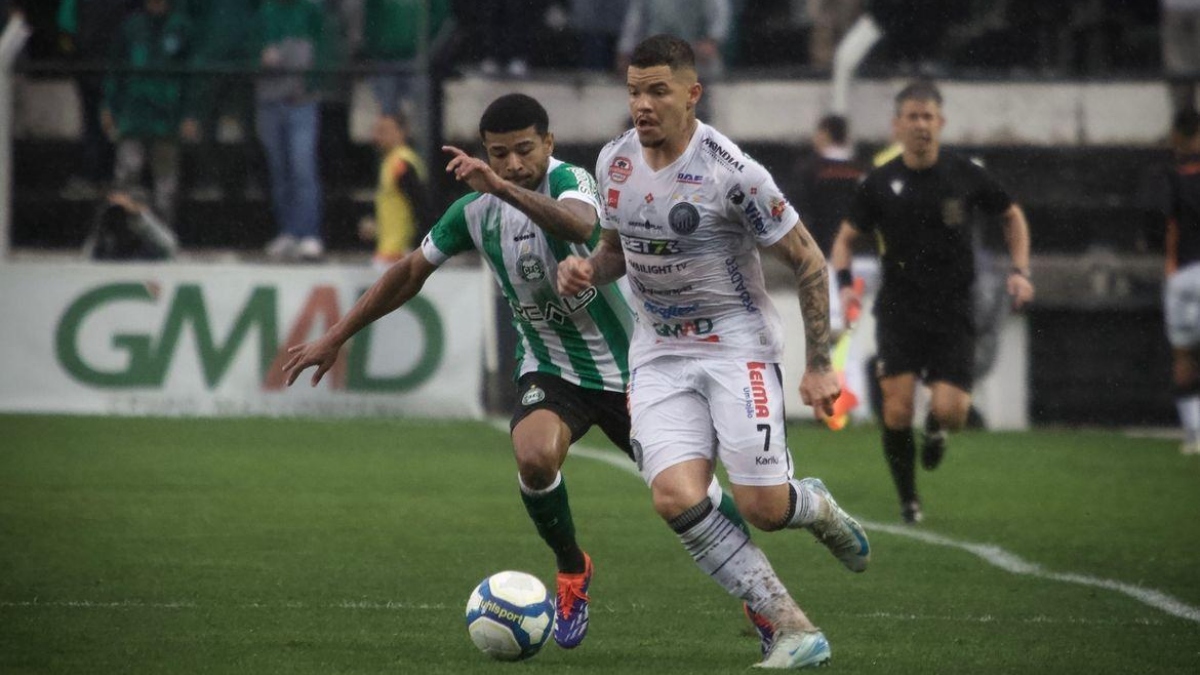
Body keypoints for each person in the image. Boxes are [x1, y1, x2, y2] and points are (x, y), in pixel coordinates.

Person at [281, 93, 752, 652]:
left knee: (694, 498)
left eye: (524, 150)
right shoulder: (473, 212)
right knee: (533, 457)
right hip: (552, 367)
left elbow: (579, 223)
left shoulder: (574, 180)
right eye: (498, 154)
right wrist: (335, 337)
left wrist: (505, 189)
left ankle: (759, 597)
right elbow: (409, 273)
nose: (511, 164)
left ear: (548, 144)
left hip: (635, 371)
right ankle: (572, 570)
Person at [557, 35, 871, 669]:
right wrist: (589, 269)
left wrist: (818, 366)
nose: (642, 105)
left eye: (658, 91)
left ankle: (810, 504)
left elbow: (808, 259)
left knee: (764, 508)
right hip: (659, 355)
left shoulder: (734, 172)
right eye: (634, 91)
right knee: (675, 496)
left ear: (692, 93)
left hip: (738, 349)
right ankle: (793, 628)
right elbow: (620, 249)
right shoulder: (613, 163)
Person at [829, 80, 1034, 524]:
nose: (921, 125)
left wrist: (1020, 271)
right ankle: (908, 499)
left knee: (951, 409)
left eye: (928, 117)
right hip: (900, 311)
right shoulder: (880, 184)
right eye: (912, 117)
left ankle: (938, 431)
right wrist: (844, 283)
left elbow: (1011, 216)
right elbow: (845, 239)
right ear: (897, 125)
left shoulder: (964, 174)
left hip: (954, 310)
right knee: (898, 408)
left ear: (940, 123)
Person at [101, 0, 190, 227]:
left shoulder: (181, 27)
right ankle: (122, 232)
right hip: (134, 115)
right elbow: (115, 69)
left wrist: (190, 113)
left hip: (166, 118)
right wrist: (108, 106)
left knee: (166, 186)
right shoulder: (131, 26)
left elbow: (191, 75)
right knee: (126, 178)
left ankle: (162, 234)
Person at [256, 0, 325, 262]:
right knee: (279, 170)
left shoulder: (311, 10)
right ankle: (288, 232)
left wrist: (310, 85)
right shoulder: (266, 11)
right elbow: (247, 47)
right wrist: (259, 57)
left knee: (302, 167)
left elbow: (325, 50)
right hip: (269, 102)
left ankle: (310, 234)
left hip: (301, 103)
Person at [1163, 107, 1200, 455]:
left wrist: (1171, 268)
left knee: (1184, 355)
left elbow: (1170, 227)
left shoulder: (1175, 177)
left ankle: (1194, 432)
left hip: (1184, 273)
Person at [359, 112, 432, 270]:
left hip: (398, 253)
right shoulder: (390, 161)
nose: (378, 136)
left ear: (402, 132)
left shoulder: (401, 163)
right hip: (388, 250)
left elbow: (420, 205)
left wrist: (417, 245)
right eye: (377, 130)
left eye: (385, 130)